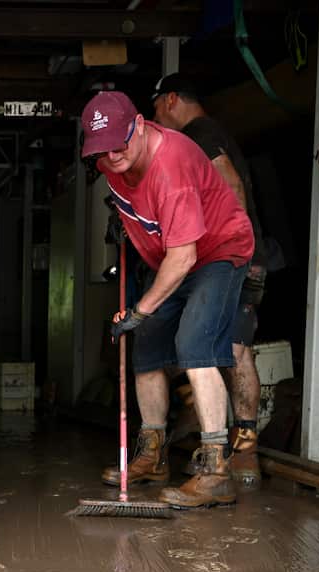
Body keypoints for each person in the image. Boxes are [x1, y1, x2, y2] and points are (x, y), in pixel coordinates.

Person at [81, 90, 254, 508]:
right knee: (148, 348)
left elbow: (184, 256)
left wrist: (140, 310)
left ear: (140, 125)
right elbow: (139, 210)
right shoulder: (111, 160)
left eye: (120, 145)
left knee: (194, 345)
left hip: (217, 252)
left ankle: (216, 472)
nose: (113, 157)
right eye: (102, 150)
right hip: (173, 258)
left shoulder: (171, 164)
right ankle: (152, 456)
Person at [152, 73, 269, 488]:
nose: (157, 120)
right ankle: (239, 452)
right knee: (225, 346)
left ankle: (238, 455)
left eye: (155, 110)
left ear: (170, 101)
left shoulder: (199, 134)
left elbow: (231, 185)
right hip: (238, 254)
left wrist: (228, 250)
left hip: (233, 257)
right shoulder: (211, 132)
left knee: (231, 350)